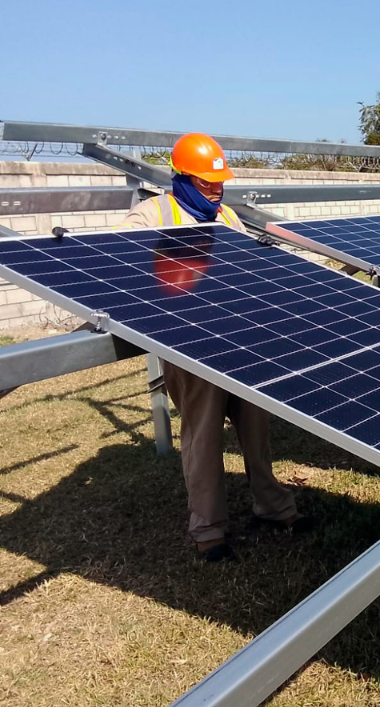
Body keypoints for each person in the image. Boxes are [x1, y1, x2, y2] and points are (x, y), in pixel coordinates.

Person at [116, 132, 311, 561]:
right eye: (207, 182)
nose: (216, 189)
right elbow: (124, 266)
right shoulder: (152, 214)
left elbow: (244, 272)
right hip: (189, 346)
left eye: (220, 182)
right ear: (183, 178)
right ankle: (208, 529)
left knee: (255, 427)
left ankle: (273, 505)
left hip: (238, 341)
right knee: (203, 436)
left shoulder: (226, 216)